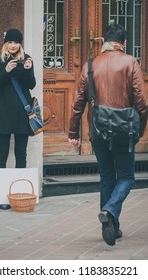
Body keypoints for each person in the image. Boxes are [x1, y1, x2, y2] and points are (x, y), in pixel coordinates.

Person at [68, 24, 148, 246]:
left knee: (106, 177)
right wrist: (139, 130)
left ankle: (111, 226)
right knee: (126, 177)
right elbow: (142, 102)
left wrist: (73, 132)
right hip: (124, 130)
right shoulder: (130, 61)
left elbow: (77, 103)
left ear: (105, 40)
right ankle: (110, 210)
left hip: (98, 129)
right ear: (123, 43)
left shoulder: (90, 65)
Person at [0, 28, 36, 210]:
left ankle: (20, 195)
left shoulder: (27, 59)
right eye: (10, 42)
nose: (14, 45)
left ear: (20, 44)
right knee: (1, 155)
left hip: (22, 114)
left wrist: (28, 70)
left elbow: (31, 84)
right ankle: (2, 197)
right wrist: (6, 71)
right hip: (2, 113)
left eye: (17, 42)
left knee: (21, 154)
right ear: (5, 43)